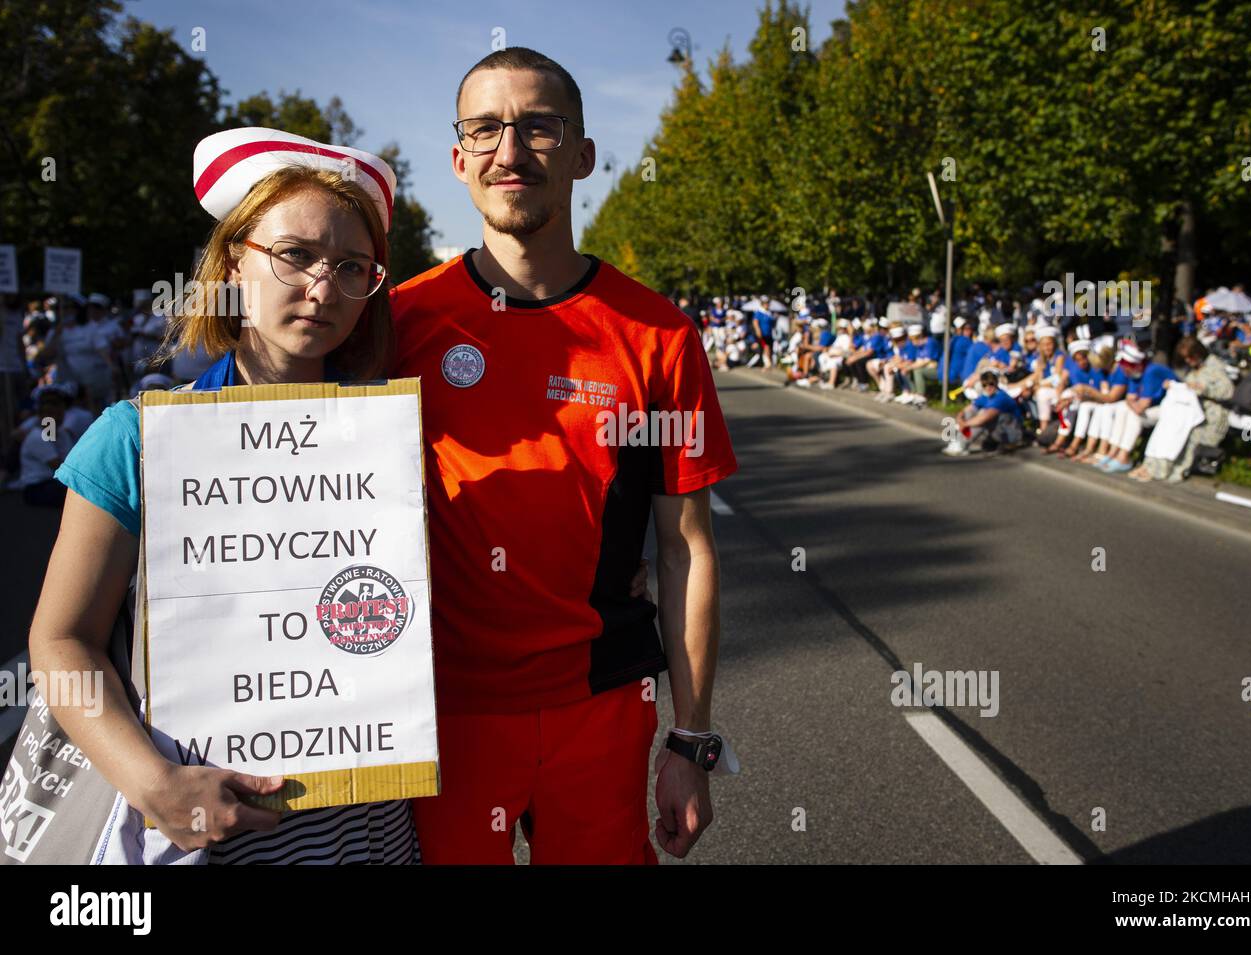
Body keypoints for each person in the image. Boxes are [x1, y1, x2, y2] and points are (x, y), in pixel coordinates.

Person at [25, 128, 422, 864]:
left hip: (373, 838)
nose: (323, 287)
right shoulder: (136, 438)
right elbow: (58, 641)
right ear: (235, 259)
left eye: (352, 266)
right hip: (199, 838)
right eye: (295, 255)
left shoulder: (394, 445)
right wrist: (154, 785)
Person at [392, 47, 738, 865]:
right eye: (485, 129)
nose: (509, 151)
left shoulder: (658, 334)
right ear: (458, 158)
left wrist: (691, 742)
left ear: (582, 154)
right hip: (438, 711)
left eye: (539, 127)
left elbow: (686, 546)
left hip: (602, 704)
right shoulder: (397, 323)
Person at [1130, 338, 1233, 482]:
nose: (1188, 361)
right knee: (1165, 430)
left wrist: (1204, 389)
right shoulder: (1194, 369)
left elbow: (1227, 392)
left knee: (1186, 437)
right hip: (1187, 412)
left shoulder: (1215, 367)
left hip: (1210, 416)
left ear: (1198, 353)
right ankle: (1151, 466)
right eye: (1185, 358)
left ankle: (1176, 469)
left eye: (1190, 357)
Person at [1095, 343, 1178, 473]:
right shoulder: (1135, 374)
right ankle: (1113, 452)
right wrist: (1132, 403)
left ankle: (1124, 457)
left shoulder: (1151, 372)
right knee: (1122, 408)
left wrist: (1132, 403)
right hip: (1152, 407)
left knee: (1134, 416)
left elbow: (1140, 407)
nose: (1123, 371)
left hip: (1171, 409)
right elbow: (1130, 399)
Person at [942, 371, 1025, 456]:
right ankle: (959, 441)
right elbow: (968, 409)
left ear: (996, 383)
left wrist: (964, 424)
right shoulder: (986, 396)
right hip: (999, 430)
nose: (988, 387)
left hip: (1011, 433)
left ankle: (963, 444)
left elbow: (985, 417)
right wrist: (960, 418)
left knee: (982, 417)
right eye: (984, 385)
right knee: (970, 412)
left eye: (991, 384)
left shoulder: (1001, 398)